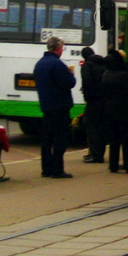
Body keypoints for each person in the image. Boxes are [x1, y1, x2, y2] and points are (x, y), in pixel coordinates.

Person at [33, 35, 77, 178]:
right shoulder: (57, 64)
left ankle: (46, 169)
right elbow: (69, 83)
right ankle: (58, 169)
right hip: (60, 107)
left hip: (46, 106)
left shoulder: (40, 64)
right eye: (62, 48)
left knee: (47, 140)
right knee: (60, 139)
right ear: (58, 49)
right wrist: (71, 75)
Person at [100, 50, 128, 173]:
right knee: (127, 139)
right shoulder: (123, 75)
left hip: (109, 110)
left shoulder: (105, 74)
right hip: (124, 110)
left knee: (114, 140)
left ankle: (113, 165)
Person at [79, 46, 108, 164]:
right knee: (101, 128)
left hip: (93, 101)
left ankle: (95, 155)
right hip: (105, 101)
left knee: (92, 128)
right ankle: (100, 153)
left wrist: (87, 95)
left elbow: (86, 82)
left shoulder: (87, 66)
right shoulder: (104, 64)